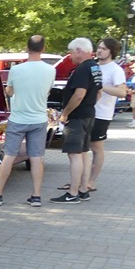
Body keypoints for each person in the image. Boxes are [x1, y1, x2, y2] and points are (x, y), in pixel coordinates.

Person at [0, 34, 56, 207]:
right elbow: (47, 91)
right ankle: (36, 196)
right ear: (43, 48)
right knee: (36, 157)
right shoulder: (50, 70)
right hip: (38, 119)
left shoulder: (16, 70)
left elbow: (10, 92)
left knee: (9, 156)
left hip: (18, 118)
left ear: (27, 48)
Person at [51, 37, 101, 204]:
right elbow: (98, 93)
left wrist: (65, 114)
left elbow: (79, 94)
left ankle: (72, 193)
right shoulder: (95, 67)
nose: (70, 55)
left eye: (71, 51)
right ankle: (83, 190)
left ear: (79, 50)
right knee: (83, 154)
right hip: (89, 114)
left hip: (77, 117)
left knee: (74, 155)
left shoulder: (82, 69)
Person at [76, 37, 126, 196]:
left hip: (102, 114)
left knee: (96, 148)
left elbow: (122, 92)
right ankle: (79, 181)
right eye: (98, 48)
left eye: (103, 48)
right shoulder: (93, 66)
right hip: (86, 112)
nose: (99, 51)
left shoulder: (115, 69)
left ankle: (91, 181)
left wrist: (101, 86)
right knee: (81, 148)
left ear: (112, 51)